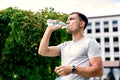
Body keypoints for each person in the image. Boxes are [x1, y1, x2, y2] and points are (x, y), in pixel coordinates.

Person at [38, 12, 103, 80]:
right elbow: (43, 51)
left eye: (71, 19)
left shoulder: (90, 43)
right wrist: (49, 30)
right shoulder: (65, 45)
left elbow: (98, 71)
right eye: (67, 20)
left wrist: (73, 69)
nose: (67, 22)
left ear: (81, 24)